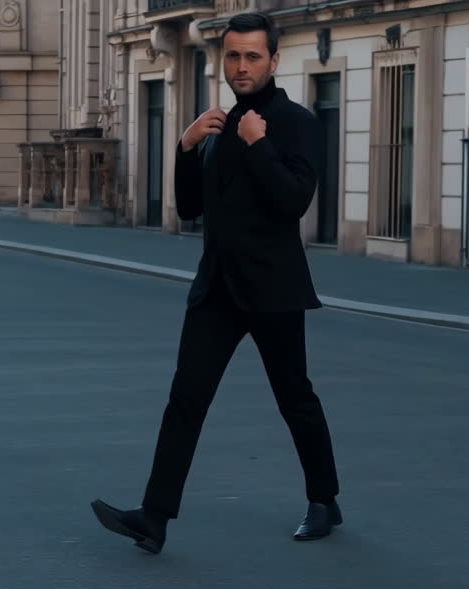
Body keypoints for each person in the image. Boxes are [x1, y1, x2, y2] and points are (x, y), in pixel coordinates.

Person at [91, 11, 343, 554]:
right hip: (218, 290)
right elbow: (189, 209)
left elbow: (293, 201)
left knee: (294, 398)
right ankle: (154, 517)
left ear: (274, 60)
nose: (242, 66)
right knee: (185, 399)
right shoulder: (221, 125)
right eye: (233, 55)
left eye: (253, 56)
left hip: (273, 289)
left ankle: (324, 500)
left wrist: (259, 146)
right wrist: (184, 149)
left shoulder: (296, 122)